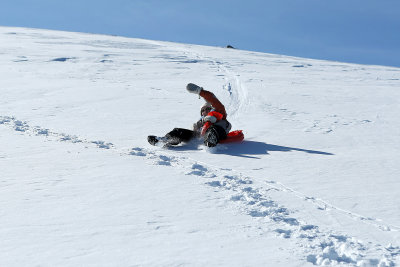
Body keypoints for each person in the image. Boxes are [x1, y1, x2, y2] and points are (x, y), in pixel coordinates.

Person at [148, 83, 232, 147]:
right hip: (201, 138)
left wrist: (200, 92)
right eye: (203, 110)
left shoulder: (220, 114)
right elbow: (196, 135)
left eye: (208, 109)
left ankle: (211, 140)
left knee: (213, 129)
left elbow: (215, 101)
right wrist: (196, 129)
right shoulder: (200, 123)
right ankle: (164, 140)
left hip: (218, 133)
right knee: (178, 131)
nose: (205, 111)